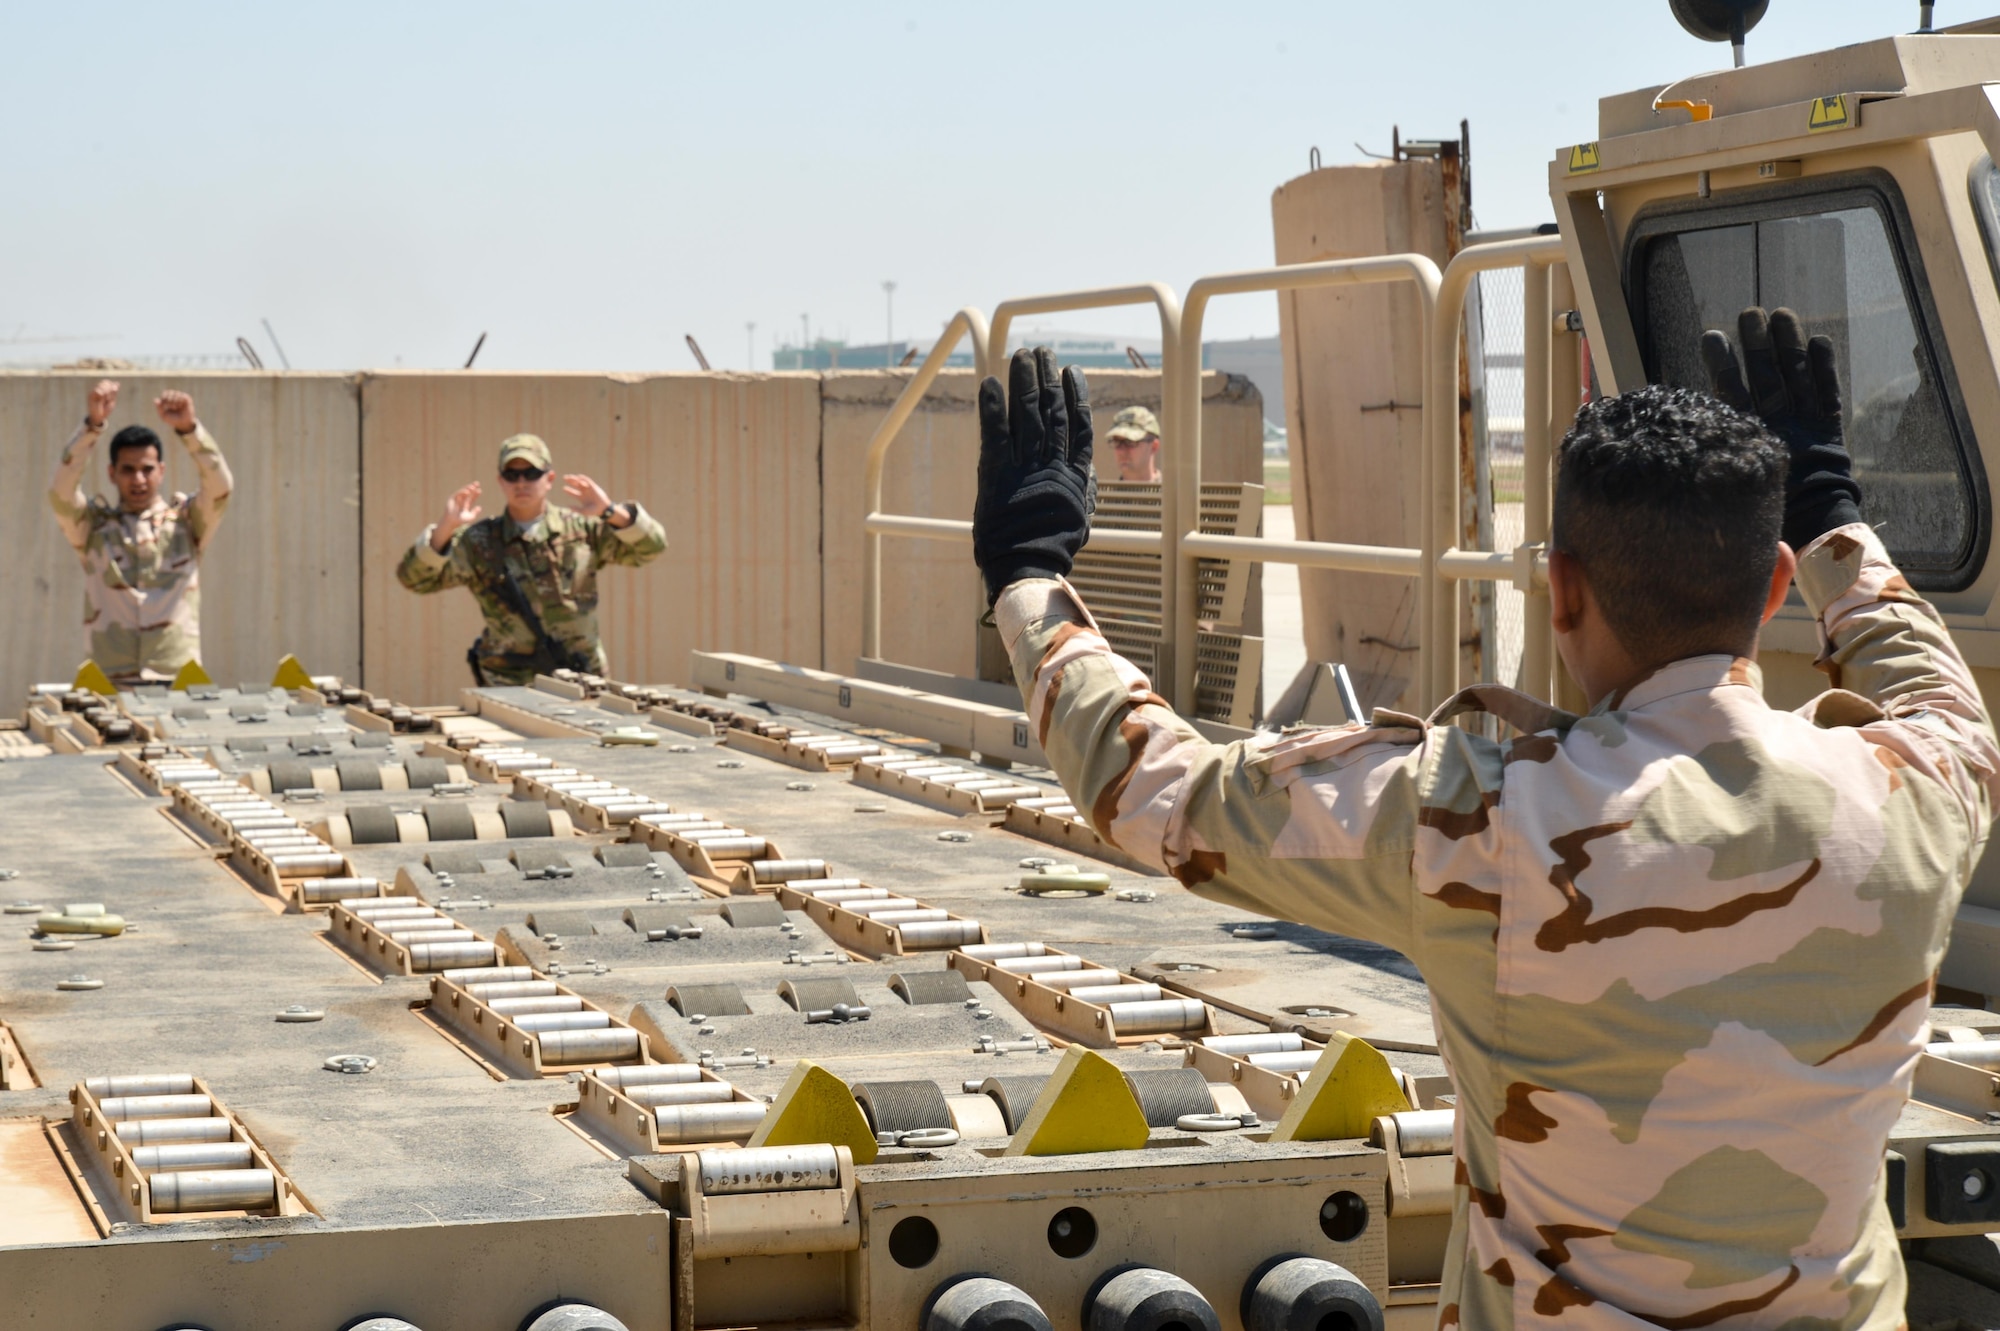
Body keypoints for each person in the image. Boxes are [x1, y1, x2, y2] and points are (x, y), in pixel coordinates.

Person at [971, 325, 1996, 1329]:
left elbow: (1154, 789)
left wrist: (1029, 573)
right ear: (1773, 586)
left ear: (1558, 589)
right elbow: (1930, 687)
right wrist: (1828, 515)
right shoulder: (1919, 790)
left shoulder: (1481, 818)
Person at [397, 433, 667, 684]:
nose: (522, 483)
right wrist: (445, 528)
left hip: (580, 674)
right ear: (500, 481)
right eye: (512, 474)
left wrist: (610, 511)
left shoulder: (581, 528)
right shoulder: (480, 541)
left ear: (549, 479)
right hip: (508, 679)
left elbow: (650, 548)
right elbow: (415, 580)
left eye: (531, 473)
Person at [46, 378, 233, 683]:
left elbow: (220, 487)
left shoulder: (188, 523)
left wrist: (190, 431)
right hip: (110, 682)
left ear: (161, 471)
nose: (138, 480)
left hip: (176, 681)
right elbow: (60, 491)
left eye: (147, 469)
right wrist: (92, 427)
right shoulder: (93, 528)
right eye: (128, 470)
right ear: (112, 473)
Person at [1104, 404, 1161, 482]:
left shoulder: (1174, 492)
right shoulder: (1104, 493)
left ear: (1154, 446)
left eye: (1130, 442)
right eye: (1117, 442)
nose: (1121, 451)